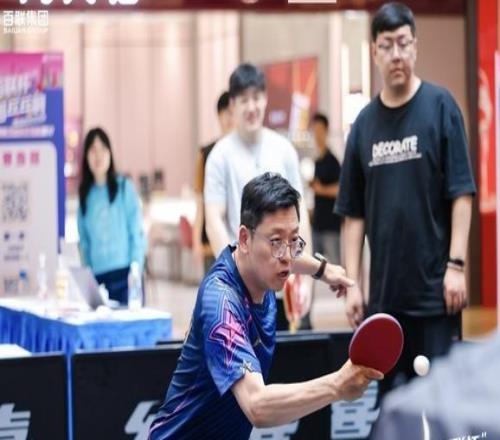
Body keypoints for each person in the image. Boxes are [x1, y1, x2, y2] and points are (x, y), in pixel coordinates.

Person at [149, 173, 383, 439]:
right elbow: (257, 405)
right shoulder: (221, 303)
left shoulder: (264, 268)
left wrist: (322, 270)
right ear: (244, 239)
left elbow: (287, 256)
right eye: (276, 241)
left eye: (294, 240)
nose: (286, 256)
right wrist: (337, 385)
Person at [335, 2, 476, 400]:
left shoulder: (441, 107)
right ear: (374, 52)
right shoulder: (364, 124)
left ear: (415, 46)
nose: (396, 54)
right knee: (392, 406)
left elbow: (461, 193)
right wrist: (353, 284)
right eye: (386, 45)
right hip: (385, 300)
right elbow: (353, 214)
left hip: (435, 294)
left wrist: (457, 266)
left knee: (442, 404)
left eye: (403, 43)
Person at [204, 63, 314, 329]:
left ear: (265, 99)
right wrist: (235, 276)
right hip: (242, 289)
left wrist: (306, 276)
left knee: (290, 351)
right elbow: (214, 220)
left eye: (256, 98)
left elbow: (300, 216)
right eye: (244, 100)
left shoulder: (283, 149)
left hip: (283, 285)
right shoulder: (220, 156)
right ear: (232, 105)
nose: (251, 107)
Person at [77, 127, 146, 305]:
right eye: (93, 150)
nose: (98, 156)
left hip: (126, 276)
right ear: (86, 156)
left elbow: (136, 232)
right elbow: (84, 242)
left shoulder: (124, 187)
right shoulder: (84, 195)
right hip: (98, 280)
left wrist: (136, 268)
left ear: (110, 153)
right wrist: (88, 277)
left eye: (102, 149)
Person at [192, 91, 233, 274]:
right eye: (225, 113)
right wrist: (196, 241)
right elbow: (200, 200)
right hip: (211, 244)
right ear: (218, 116)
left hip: (241, 242)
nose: (229, 118)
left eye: (232, 113)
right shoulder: (206, 153)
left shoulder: (245, 153)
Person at [310, 112, 342, 264]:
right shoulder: (318, 161)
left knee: (334, 267)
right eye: (314, 130)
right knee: (315, 269)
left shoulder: (332, 161)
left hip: (331, 226)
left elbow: (340, 190)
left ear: (326, 131)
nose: (317, 134)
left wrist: (321, 189)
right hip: (317, 224)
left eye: (320, 130)